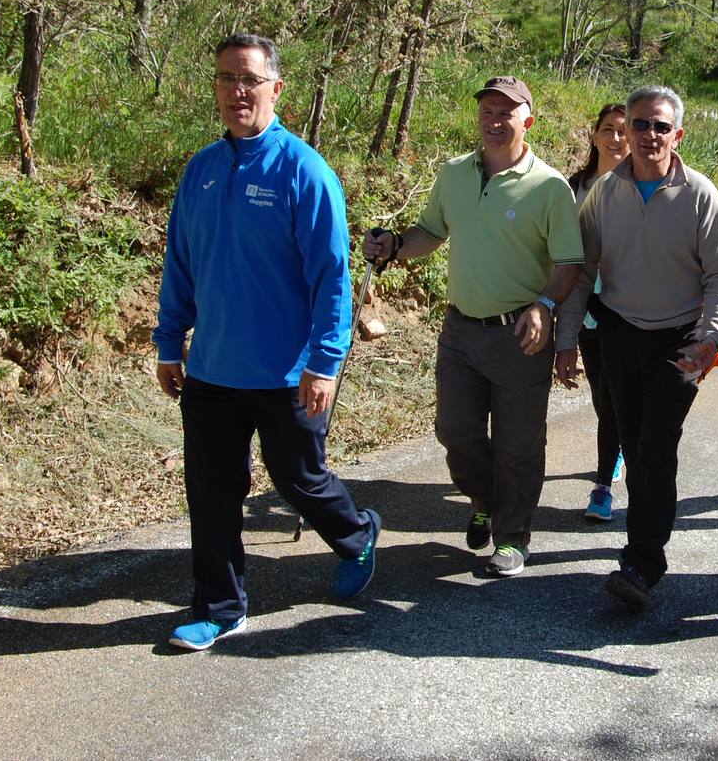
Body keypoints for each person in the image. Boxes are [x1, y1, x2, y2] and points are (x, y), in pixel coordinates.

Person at [153, 33, 380, 651]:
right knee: (212, 490)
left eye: (250, 79)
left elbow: (333, 278)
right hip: (213, 372)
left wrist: (324, 362)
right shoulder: (200, 170)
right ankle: (220, 607)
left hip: (288, 373)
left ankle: (357, 534)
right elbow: (181, 264)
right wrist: (170, 341)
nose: (237, 91)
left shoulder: (304, 171)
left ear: (276, 89)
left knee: (299, 479)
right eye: (226, 78)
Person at [363, 76, 583, 577]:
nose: (495, 121)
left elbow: (569, 262)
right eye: (487, 110)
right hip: (461, 330)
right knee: (455, 432)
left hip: (519, 336)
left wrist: (545, 304)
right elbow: (430, 233)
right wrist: (395, 245)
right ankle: (483, 497)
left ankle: (512, 535)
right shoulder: (454, 174)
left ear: (528, 120)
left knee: (518, 442)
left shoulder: (549, 187)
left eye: (507, 112)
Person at [555, 85, 718, 609]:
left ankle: (641, 563)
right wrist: (567, 336)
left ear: (677, 135)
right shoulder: (603, 193)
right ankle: (642, 550)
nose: (649, 135)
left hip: (681, 339)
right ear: (627, 131)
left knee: (655, 447)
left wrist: (710, 338)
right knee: (634, 446)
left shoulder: (699, 194)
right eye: (641, 124)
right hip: (618, 332)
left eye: (661, 126)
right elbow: (584, 270)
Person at [568, 103, 628, 521]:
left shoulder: (643, 186)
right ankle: (617, 445)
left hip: (629, 314)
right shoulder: (574, 186)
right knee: (600, 394)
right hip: (587, 312)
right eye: (608, 129)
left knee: (612, 401)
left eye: (624, 130)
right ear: (594, 136)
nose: (616, 138)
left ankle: (603, 485)